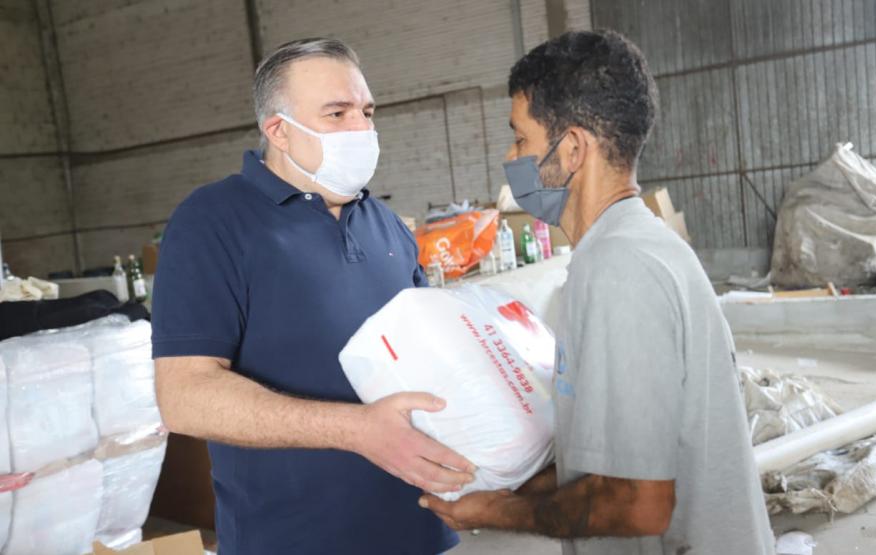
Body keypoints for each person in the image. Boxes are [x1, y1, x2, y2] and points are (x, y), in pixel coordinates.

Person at [420, 29, 775, 555]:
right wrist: (506, 482)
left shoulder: (617, 266)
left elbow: (636, 503)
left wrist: (495, 510)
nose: (510, 155)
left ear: (572, 149)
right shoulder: (632, 244)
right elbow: (609, 457)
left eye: (521, 138)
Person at [151, 38, 474, 554]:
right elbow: (183, 398)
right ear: (278, 129)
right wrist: (357, 430)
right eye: (337, 112)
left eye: (367, 111)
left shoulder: (387, 225)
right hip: (293, 540)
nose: (362, 129)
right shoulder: (213, 221)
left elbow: (427, 356)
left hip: (419, 531)